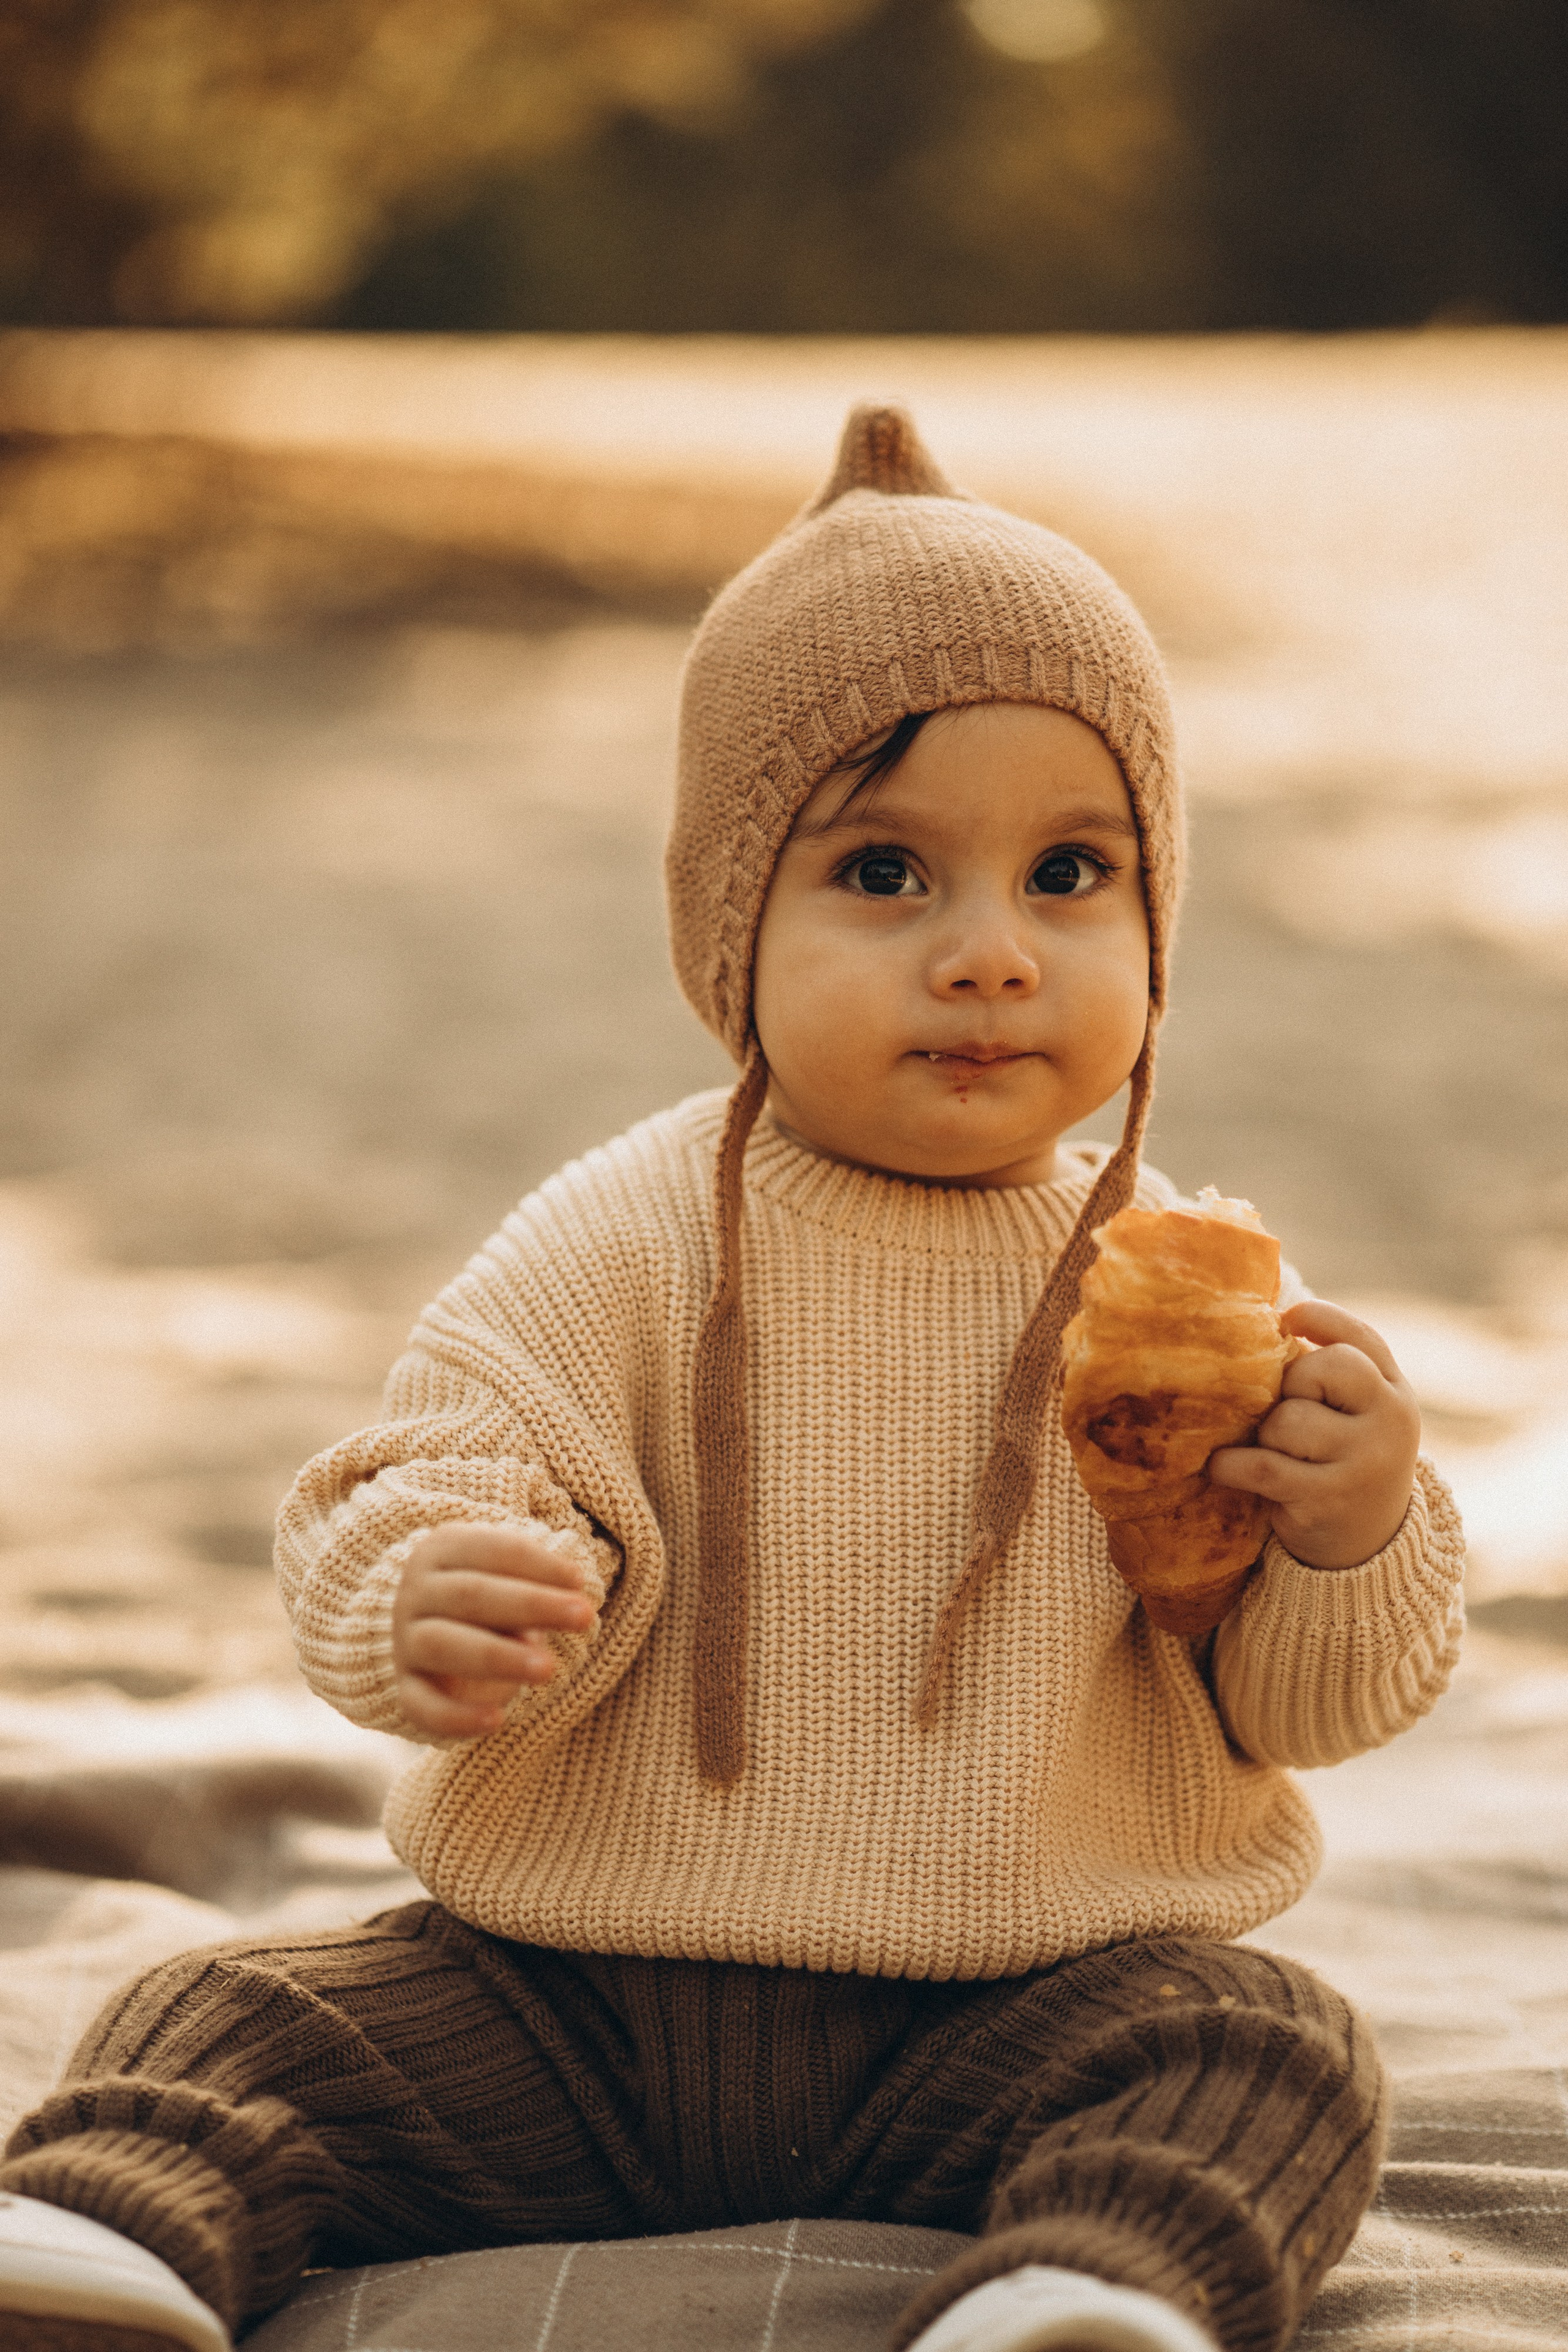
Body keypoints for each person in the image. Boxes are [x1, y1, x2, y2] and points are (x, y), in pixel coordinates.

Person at [0, 407, 1463, 2352]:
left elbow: (1296, 1705)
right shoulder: (625, 1235)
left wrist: (1351, 1533)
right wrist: (428, 1592)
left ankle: (1076, 2295)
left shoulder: (1178, 1286)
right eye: (883, 870)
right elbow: (412, 1472)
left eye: (1068, 873)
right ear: (729, 929)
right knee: (230, 2016)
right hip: (572, 2001)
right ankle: (117, 2241)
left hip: (1013, 2009)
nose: (990, 955)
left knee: (1273, 2051)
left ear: (1155, 920)